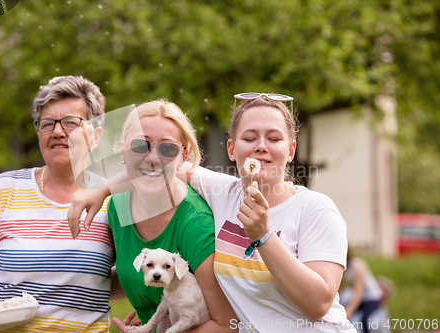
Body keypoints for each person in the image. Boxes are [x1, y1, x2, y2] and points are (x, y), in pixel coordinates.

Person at [68, 93, 355, 333]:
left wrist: (264, 236)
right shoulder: (221, 191)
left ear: (291, 150)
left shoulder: (316, 209)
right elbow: (159, 165)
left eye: (274, 139)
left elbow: (317, 306)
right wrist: (103, 188)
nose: (261, 147)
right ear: (231, 149)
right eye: (249, 138)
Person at [0, 76, 115, 333]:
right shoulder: (0, 190)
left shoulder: (113, 199)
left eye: (70, 123)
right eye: (47, 124)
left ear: (95, 135)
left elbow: (132, 273)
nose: (57, 132)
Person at [71, 99, 237, 333]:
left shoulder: (194, 222)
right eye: (140, 145)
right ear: (122, 150)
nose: (152, 158)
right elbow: (131, 274)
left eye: (168, 148)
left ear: (183, 156)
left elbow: (228, 325)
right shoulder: (117, 206)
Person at [340, 250, 385, 333]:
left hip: (371, 297)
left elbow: (358, 292)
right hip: (362, 299)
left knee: (365, 319)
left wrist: (348, 312)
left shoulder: (357, 265)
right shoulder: (343, 268)